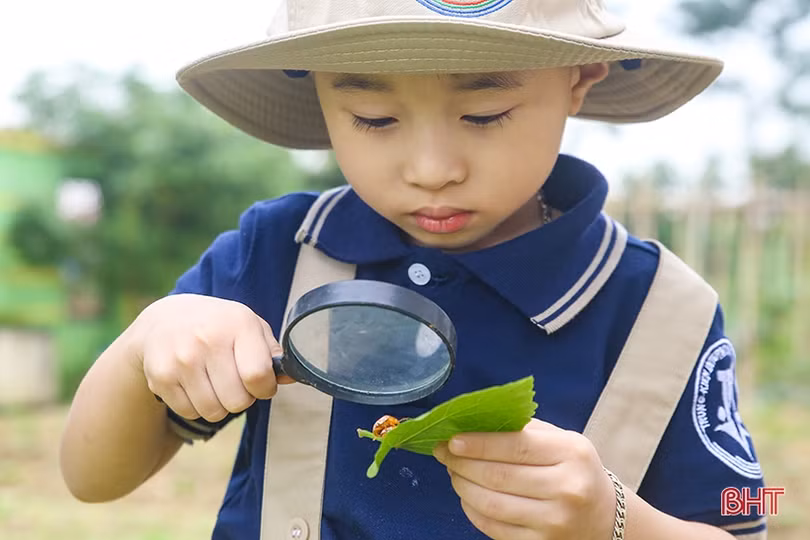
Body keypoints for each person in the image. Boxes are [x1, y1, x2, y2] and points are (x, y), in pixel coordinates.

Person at [59, 1, 768, 539]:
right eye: (373, 117)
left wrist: (618, 522)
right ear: (318, 93)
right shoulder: (278, 252)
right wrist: (145, 342)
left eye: (485, 113)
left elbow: (751, 512)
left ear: (581, 78)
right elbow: (91, 478)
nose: (432, 172)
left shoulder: (659, 311)